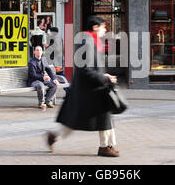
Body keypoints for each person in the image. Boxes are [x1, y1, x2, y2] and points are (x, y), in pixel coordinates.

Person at [46, 15, 120, 157]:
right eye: (104, 27)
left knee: (84, 119)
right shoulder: (87, 42)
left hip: (91, 88)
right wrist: (104, 79)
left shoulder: (92, 41)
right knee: (96, 118)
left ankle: (106, 146)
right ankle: (104, 147)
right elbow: (86, 69)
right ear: (95, 27)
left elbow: (92, 68)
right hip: (89, 90)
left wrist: (105, 77)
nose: (105, 30)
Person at [28, 45, 59, 110]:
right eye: (37, 50)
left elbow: (48, 70)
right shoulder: (31, 63)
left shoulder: (43, 59)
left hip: (42, 79)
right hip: (34, 81)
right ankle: (41, 103)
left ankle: (48, 101)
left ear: (42, 52)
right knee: (40, 85)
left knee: (54, 85)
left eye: (40, 50)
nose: (39, 51)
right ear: (34, 52)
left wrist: (54, 79)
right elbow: (33, 75)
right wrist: (43, 78)